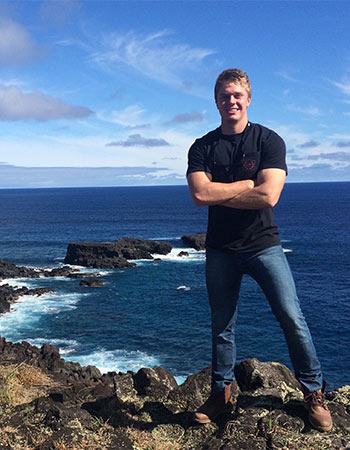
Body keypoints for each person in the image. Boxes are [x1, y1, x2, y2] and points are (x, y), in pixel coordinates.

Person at [186, 68, 332, 432]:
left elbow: (269, 195)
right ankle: (221, 394)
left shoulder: (269, 141)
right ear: (216, 100)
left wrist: (224, 192)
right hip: (220, 249)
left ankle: (313, 392)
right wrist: (244, 184)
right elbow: (199, 195)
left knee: (291, 318)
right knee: (222, 326)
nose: (230, 101)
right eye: (224, 95)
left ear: (248, 99)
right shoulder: (202, 147)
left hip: (263, 245)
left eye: (237, 95)